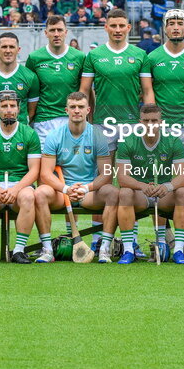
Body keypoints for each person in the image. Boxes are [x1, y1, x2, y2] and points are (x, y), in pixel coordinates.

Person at [36, 91, 119, 262]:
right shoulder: (55, 135)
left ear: (88, 110)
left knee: (112, 192)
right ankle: (46, 250)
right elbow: (45, 173)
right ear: (66, 110)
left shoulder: (98, 136)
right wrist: (66, 189)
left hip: (88, 192)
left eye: (80, 107)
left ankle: (104, 249)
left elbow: (106, 174)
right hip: (62, 192)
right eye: (72, 107)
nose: (76, 110)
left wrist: (85, 188)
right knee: (40, 193)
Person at [114, 103, 184, 264]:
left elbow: (183, 176)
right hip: (140, 193)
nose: (150, 125)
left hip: (163, 193)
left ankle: (178, 251)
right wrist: (142, 186)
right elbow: (122, 178)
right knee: (124, 192)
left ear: (161, 122)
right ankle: (128, 250)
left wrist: (168, 186)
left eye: (154, 121)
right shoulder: (128, 141)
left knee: (183, 192)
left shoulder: (173, 141)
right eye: (146, 121)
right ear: (140, 122)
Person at [0, 90, 40, 264]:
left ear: (19, 109)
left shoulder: (29, 134)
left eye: (12, 106)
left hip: (20, 184)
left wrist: (15, 189)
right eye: (4, 106)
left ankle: (19, 250)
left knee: (28, 196)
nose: (9, 110)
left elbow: (34, 171)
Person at [79, 9, 149, 151]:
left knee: (133, 172)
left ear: (128, 28)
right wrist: (84, 118)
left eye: (122, 26)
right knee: (104, 171)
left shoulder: (140, 54)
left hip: (132, 121)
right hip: (102, 121)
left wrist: (150, 121)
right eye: (113, 26)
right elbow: (84, 90)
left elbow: (148, 91)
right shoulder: (94, 55)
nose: (117, 30)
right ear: (106, 27)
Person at [142, 9, 184, 143]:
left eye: (180, 23)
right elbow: (147, 91)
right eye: (171, 24)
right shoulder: (152, 57)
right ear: (165, 28)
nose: (176, 28)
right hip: (161, 124)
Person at [27, 15, 85, 144]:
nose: (56, 34)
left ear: (66, 32)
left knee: (72, 163)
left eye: (60, 30)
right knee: (46, 163)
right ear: (46, 33)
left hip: (71, 117)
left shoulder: (79, 57)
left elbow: (85, 89)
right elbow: (30, 92)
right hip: (44, 119)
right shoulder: (35, 57)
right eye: (52, 30)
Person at [0, 32, 40, 128]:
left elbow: (32, 110)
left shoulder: (30, 77)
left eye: (12, 47)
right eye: (4, 47)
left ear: (18, 50)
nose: (8, 50)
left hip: (20, 135)